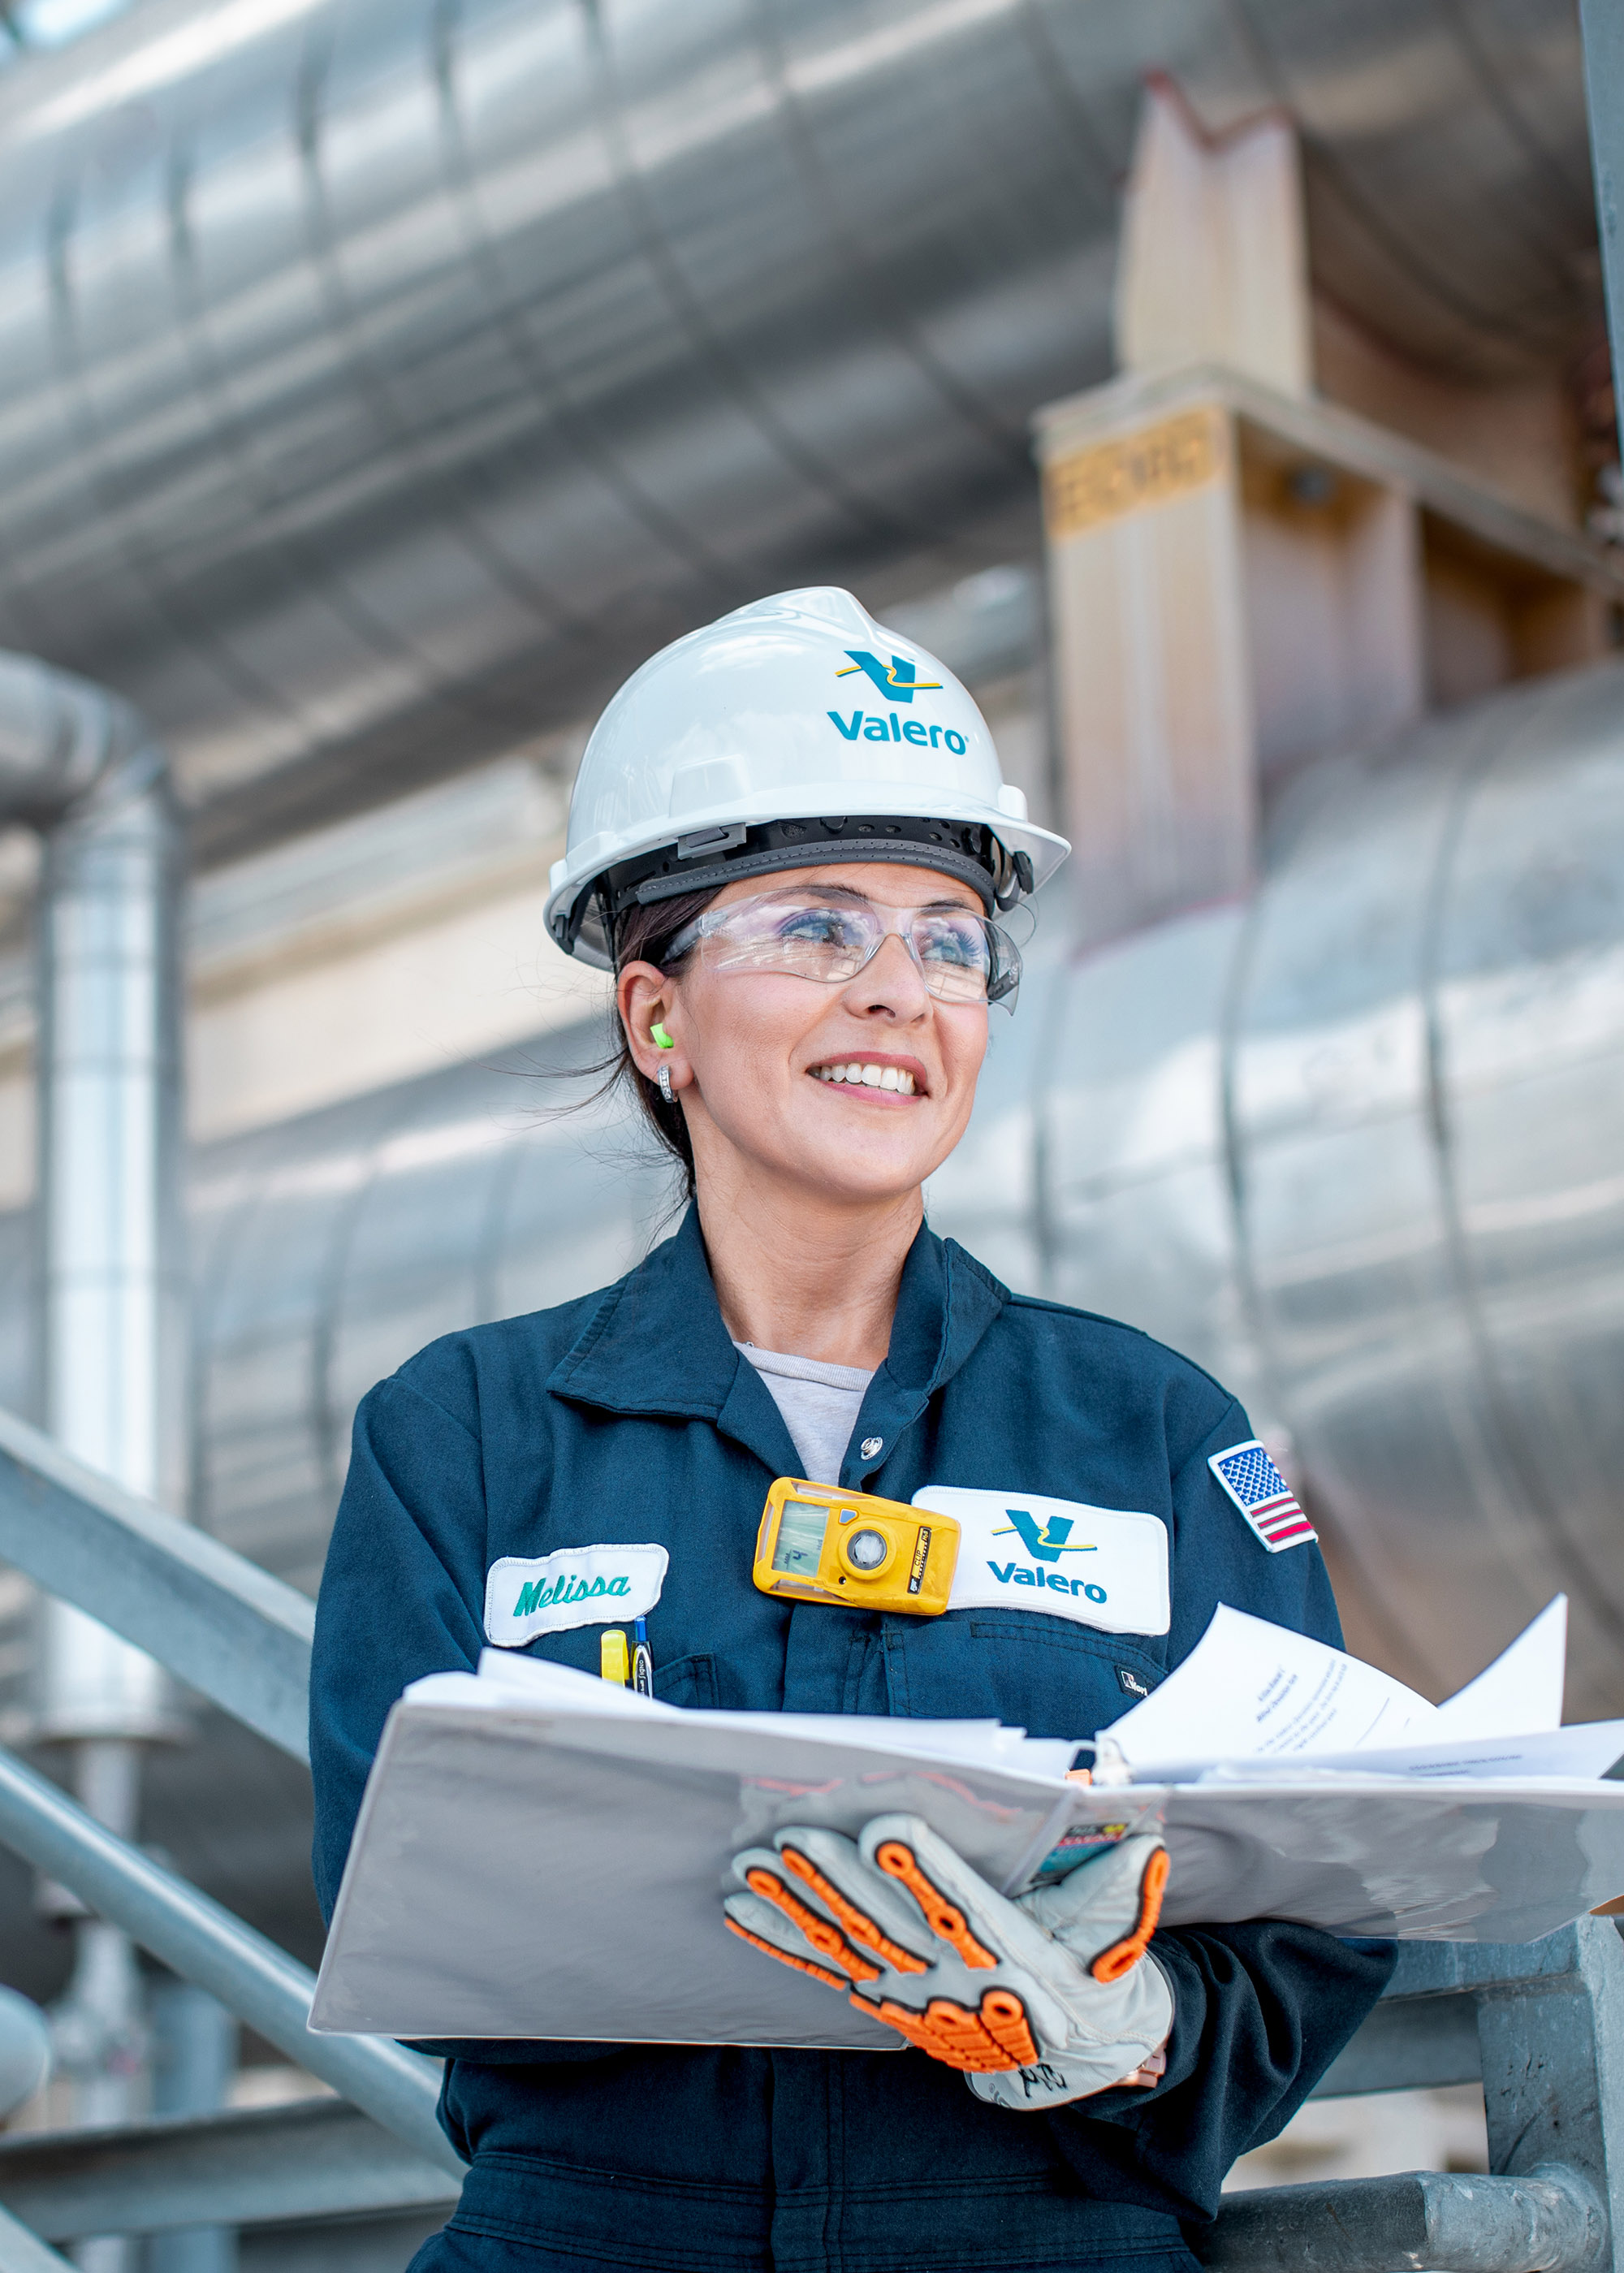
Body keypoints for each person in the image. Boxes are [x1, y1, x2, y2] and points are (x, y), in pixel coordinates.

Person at [310, 588, 1393, 2273]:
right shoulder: (465, 1433)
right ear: (655, 1016)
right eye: (816, 927)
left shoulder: (1153, 1431)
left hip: (1045, 2228)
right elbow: (401, 1912)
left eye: (948, 938)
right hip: (603, 2236)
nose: (900, 990)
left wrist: (1142, 2022)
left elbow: (1329, 1886)